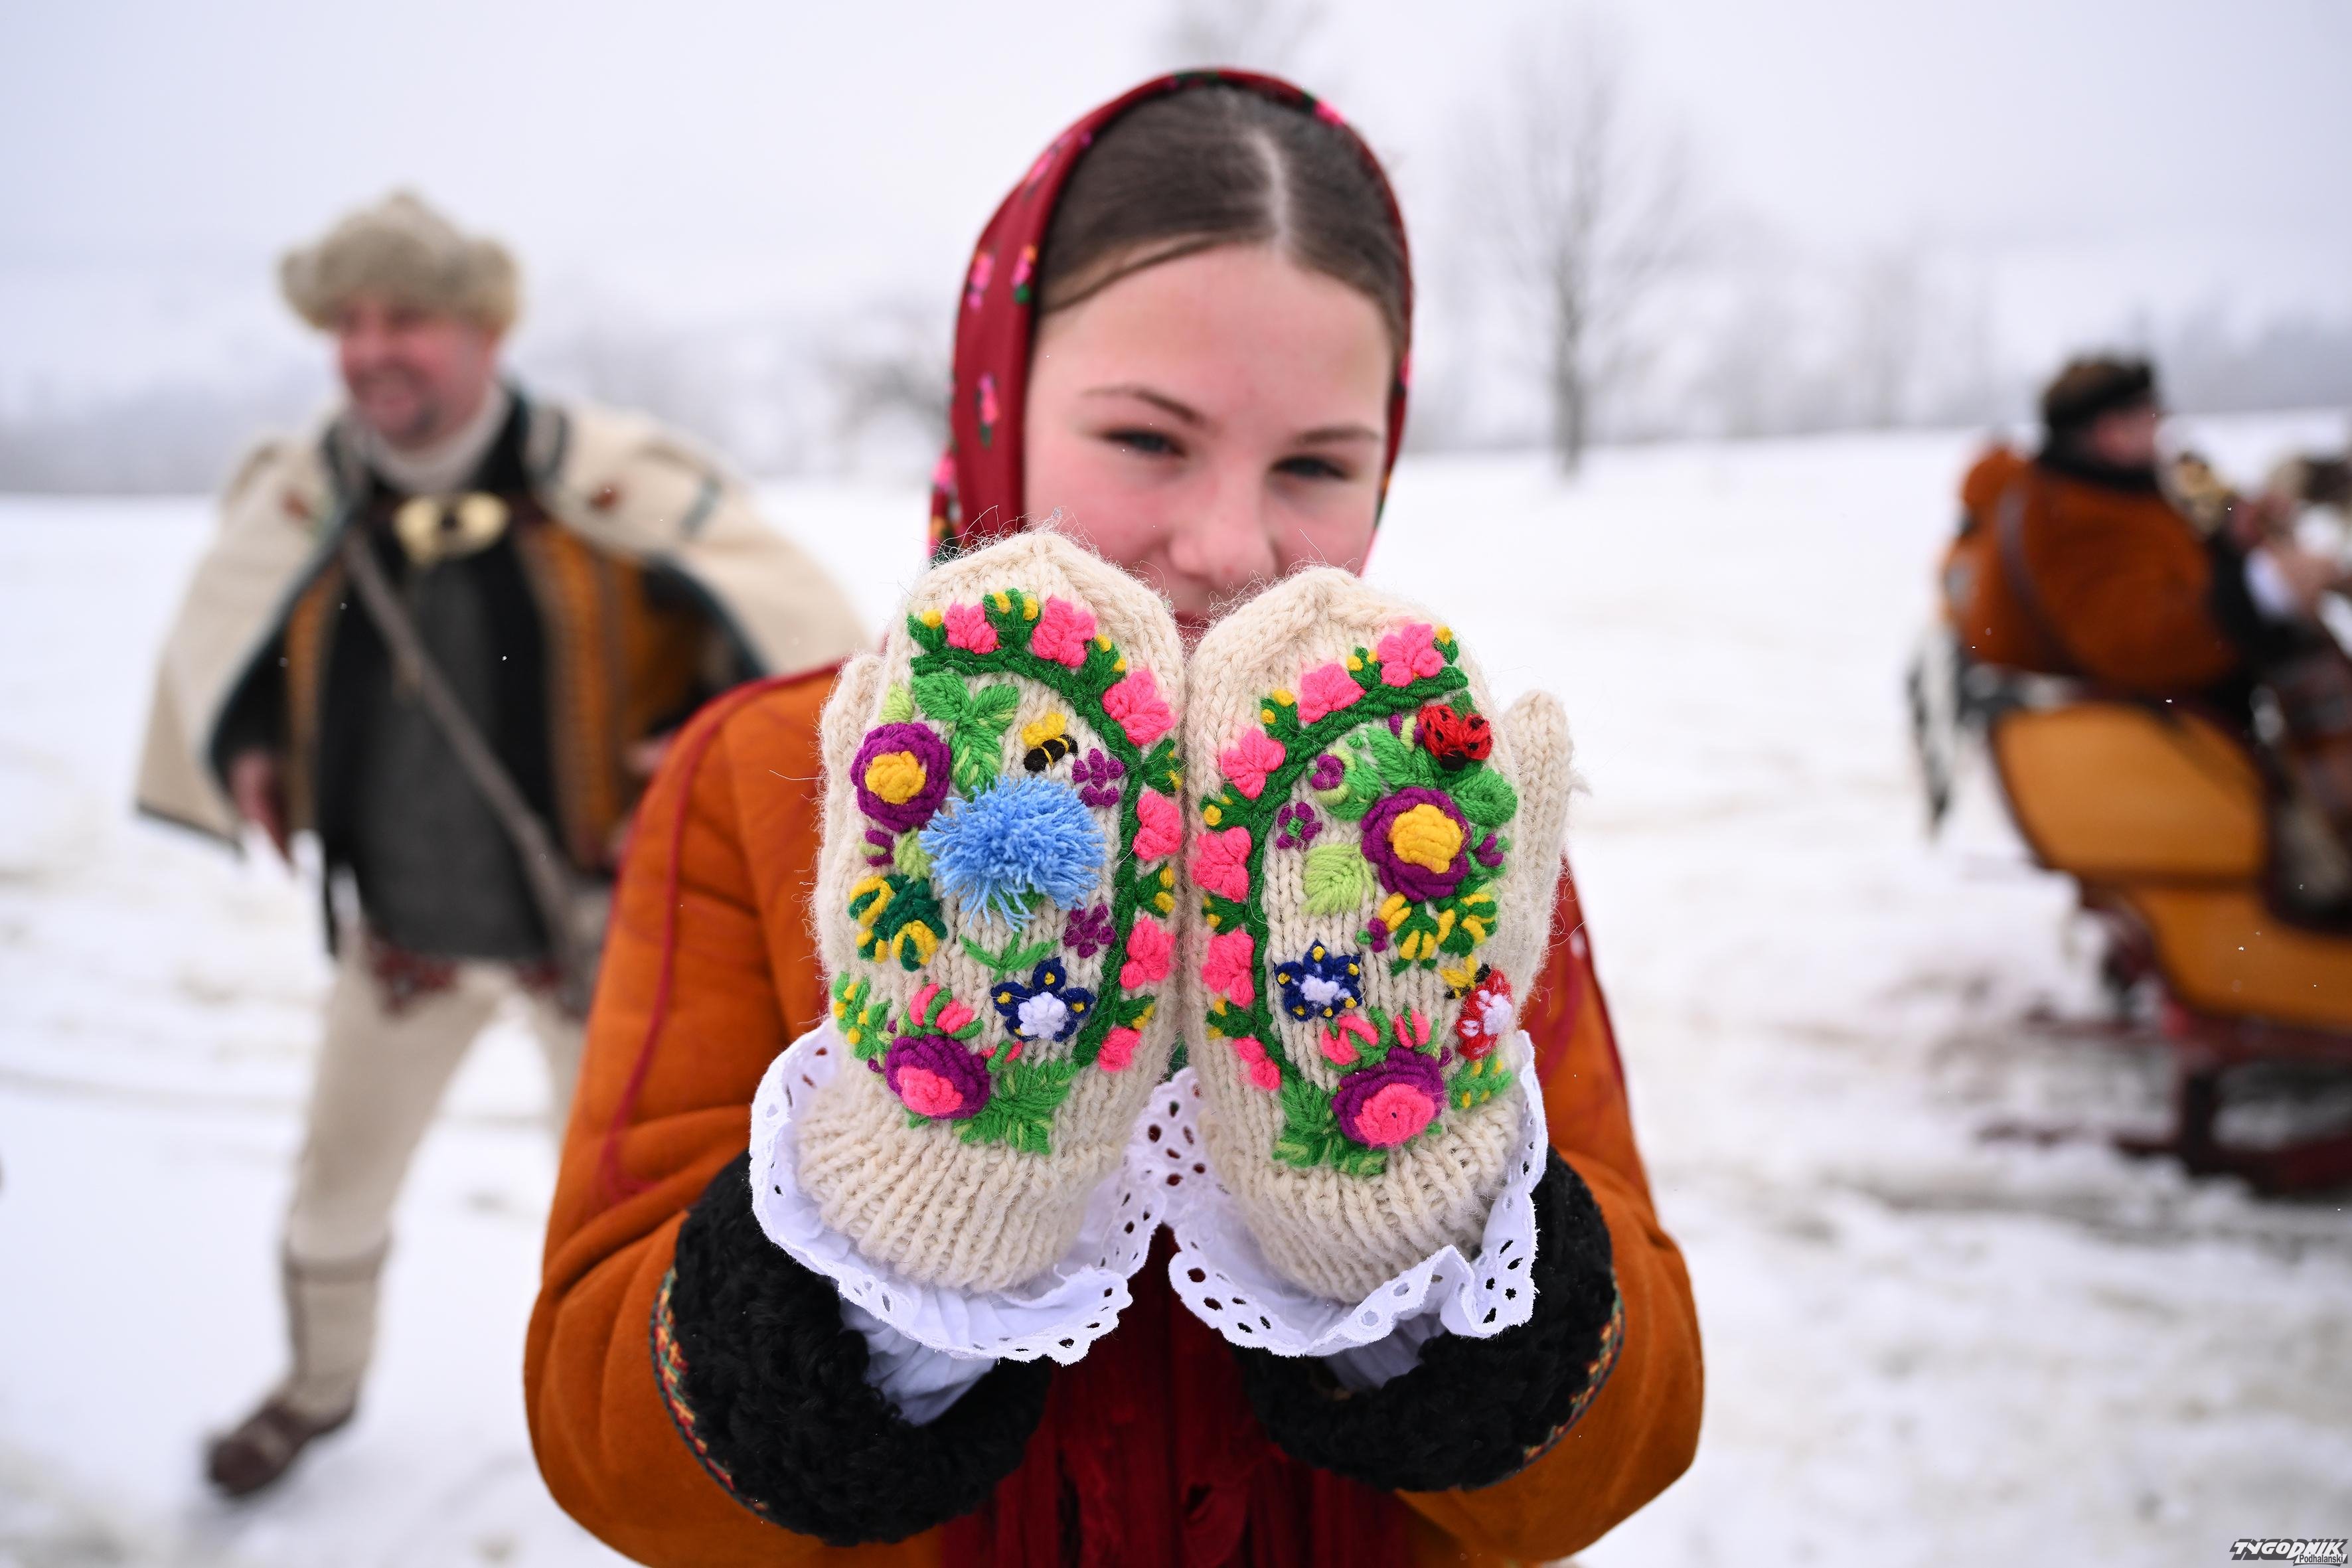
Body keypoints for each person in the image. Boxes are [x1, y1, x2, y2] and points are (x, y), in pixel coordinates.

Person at [525, 72, 1703, 1567]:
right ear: (996, 404)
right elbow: (603, 1443)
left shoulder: (1427, 805)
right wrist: (924, 1199)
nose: (1227, 542)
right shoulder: (766, 774)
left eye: (1315, 464)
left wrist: (1400, 1211)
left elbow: (1619, 1451)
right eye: (1148, 439)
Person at [134, 191, 868, 1496]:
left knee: (635, 1225)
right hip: (398, 948)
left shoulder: (612, 484)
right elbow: (237, 640)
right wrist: (251, 734)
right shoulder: (306, 500)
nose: (372, 350)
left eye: (407, 318)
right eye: (350, 322)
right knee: (332, 1201)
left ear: (485, 331)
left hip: (592, 946)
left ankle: (674, 1444)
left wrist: (696, 754)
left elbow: (776, 641)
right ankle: (315, 1391)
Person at [1943, 354, 2352, 917]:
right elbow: (2137, 645)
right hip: (2159, 739)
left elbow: (2168, 568)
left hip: (2192, 729)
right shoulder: (2066, 514)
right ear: (2110, 431)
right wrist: (2264, 589)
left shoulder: (2121, 488)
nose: (2161, 428)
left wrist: (2233, 538)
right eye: (2149, 416)